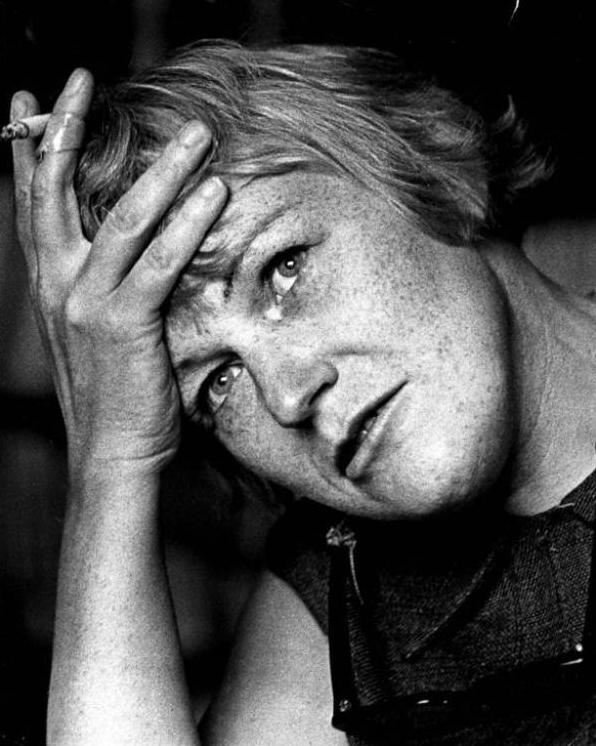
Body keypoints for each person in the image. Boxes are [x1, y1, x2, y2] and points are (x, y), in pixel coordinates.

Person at [8, 40, 596, 745]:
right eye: (217, 382)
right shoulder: (333, 600)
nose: (287, 396)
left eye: (283, 270)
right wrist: (110, 462)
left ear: (435, 166)